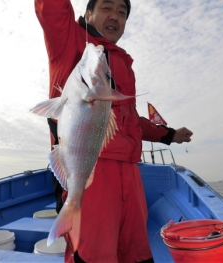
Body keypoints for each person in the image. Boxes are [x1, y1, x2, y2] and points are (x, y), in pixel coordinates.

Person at [35, 0, 193, 262]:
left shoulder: (121, 61)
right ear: (88, 14)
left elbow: (129, 120)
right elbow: (51, 9)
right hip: (91, 171)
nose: (115, 16)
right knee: (93, 254)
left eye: (122, 12)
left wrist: (169, 135)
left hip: (130, 175)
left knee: (136, 253)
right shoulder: (70, 41)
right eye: (107, 8)